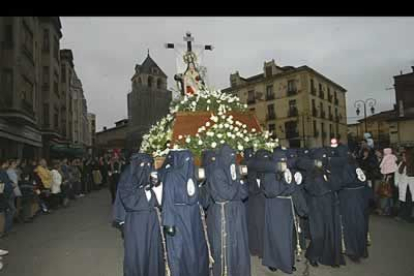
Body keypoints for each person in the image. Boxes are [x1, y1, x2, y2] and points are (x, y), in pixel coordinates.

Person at [113, 153, 165, 276]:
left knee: (153, 252)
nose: (146, 168)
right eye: (142, 165)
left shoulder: (153, 177)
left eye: (149, 165)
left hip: (152, 220)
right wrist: (145, 191)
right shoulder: (128, 177)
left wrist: (157, 187)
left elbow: (160, 200)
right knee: (138, 253)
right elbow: (128, 200)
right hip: (136, 222)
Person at [204, 144, 251, 276]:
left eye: (233, 156)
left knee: (239, 245)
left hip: (236, 211)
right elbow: (228, 194)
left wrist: (239, 180)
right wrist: (236, 180)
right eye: (229, 156)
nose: (232, 159)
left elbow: (244, 194)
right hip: (224, 212)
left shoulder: (232, 168)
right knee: (225, 246)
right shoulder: (216, 172)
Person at [161, 150, 209, 276]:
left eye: (191, 160)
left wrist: (200, 185)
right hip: (179, 216)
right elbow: (168, 200)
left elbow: (196, 196)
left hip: (193, 217)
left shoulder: (192, 174)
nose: (189, 163)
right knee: (183, 250)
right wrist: (169, 223)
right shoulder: (172, 175)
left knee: (196, 247)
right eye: (186, 160)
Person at [301, 148, 344, 268]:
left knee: (331, 231)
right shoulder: (311, 172)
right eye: (322, 158)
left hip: (330, 204)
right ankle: (312, 255)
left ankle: (331, 258)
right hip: (316, 205)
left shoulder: (329, 170)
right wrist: (321, 188)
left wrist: (331, 180)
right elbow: (308, 187)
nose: (324, 160)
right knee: (319, 233)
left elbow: (338, 184)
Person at [245, 149, 267, 258]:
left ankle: (260, 249)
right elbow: (251, 187)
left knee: (260, 226)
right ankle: (259, 249)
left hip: (261, 201)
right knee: (257, 226)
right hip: (255, 201)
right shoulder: (251, 170)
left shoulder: (261, 168)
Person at [394, 149, 414, 222]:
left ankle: (407, 216)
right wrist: (397, 183)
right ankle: (402, 215)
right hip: (403, 185)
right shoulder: (401, 163)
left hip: (411, 186)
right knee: (403, 201)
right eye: (403, 156)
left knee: (409, 202)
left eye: (405, 156)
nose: (403, 157)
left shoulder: (412, 164)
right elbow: (397, 173)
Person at [379, 148, 398, 216]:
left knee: (386, 195)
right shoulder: (393, 157)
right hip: (391, 180)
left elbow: (381, 165)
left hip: (387, 180)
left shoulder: (386, 158)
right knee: (390, 196)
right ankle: (390, 210)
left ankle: (387, 210)